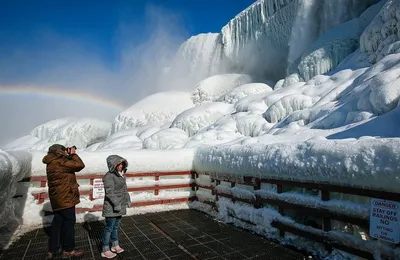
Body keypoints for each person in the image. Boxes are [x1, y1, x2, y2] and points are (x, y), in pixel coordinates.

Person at [42, 144, 85, 259]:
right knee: (69, 222)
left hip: (57, 198)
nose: (66, 152)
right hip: (65, 197)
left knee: (57, 223)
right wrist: (73, 154)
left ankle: (53, 249)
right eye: (63, 150)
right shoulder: (60, 162)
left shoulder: (52, 162)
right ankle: (68, 249)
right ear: (58, 152)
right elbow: (80, 165)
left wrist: (67, 155)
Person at [101, 155, 131, 259]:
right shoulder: (109, 176)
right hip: (111, 207)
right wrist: (117, 204)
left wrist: (127, 199)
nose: (121, 166)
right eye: (118, 164)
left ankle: (115, 245)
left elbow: (124, 189)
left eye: (122, 163)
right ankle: (105, 249)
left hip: (120, 206)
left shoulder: (121, 175)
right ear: (113, 165)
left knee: (116, 227)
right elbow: (109, 192)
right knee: (109, 228)